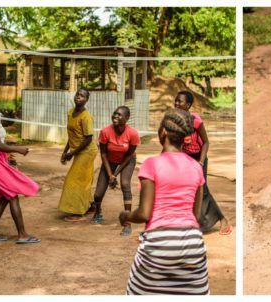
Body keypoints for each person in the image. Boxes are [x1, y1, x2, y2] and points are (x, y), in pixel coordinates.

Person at [120, 108, 209, 295]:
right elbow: (196, 215)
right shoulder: (196, 167)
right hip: (193, 243)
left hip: (159, 243)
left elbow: (145, 213)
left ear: (163, 132)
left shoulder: (151, 164)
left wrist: (125, 215)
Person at [0, 92, 40, 244]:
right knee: (12, 195)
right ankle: (23, 235)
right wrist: (19, 150)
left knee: (5, 197)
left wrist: (7, 156)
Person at [175, 91, 232, 234]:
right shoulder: (175, 119)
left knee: (203, 189)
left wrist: (200, 162)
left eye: (180, 101)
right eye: (175, 101)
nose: (176, 103)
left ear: (188, 105)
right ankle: (194, 221)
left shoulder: (195, 120)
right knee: (187, 189)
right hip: (185, 158)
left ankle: (223, 220)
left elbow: (206, 142)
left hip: (198, 157)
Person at [91, 106, 140, 236]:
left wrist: (116, 174)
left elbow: (129, 155)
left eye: (119, 115)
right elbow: (103, 154)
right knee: (97, 194)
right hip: (109, 160)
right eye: (114, 114)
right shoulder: (105, 131)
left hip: (127, 160)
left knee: (125, 184)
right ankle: (98, 211)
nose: (115, 117)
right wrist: (109, 175)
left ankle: (127, 223)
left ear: (127, 118)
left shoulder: (133, 134)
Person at [58, 89, 97, 222]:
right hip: (77, 151)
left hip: (87, 151)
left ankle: (77, 212)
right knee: (84, 179)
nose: (78, 97)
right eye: (77, 95)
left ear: (86, 99)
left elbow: (88, 139)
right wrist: (65, 151)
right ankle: (92, 205)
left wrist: (71, 153)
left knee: (74, 180)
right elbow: (72, 135)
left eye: (82, 96)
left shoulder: (86, 117)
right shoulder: (70, 112)